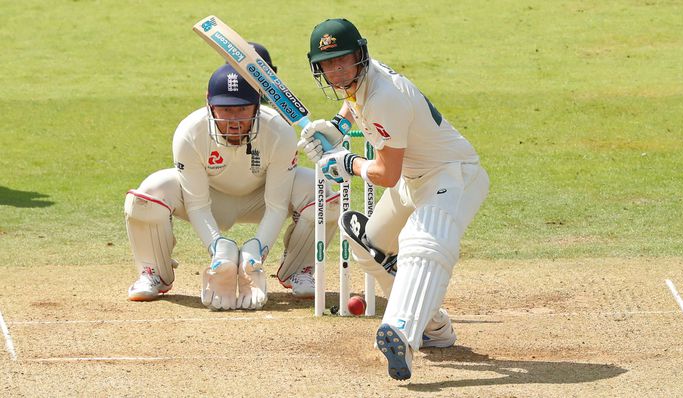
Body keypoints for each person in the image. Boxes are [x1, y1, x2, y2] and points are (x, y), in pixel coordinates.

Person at [299, 19, 489, 380]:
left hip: (453, 174)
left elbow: (386, 174)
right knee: (369, 243)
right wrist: (337, 127)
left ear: (360, 55)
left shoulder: (386, 97)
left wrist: (348, 163)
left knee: (421, 242)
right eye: (328, 64)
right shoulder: (361, 83)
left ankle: (401, 332)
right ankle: (435, 329)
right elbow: (356, 104)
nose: (337, 71)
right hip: (415, 180)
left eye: (344, 60)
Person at [124, 44, 339, 310]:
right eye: (225, 110)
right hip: (211, 198)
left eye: (241, 109)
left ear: (256, 105)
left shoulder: (280, 131)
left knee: (324, 194)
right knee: (150, 193)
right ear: (209, 103)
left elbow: (276, 205)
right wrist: (218, 249)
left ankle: (300, 269)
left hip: (260, 199)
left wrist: (257, 250)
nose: (233, 120)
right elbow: (197, 205)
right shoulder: (189, 133)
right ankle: (153, 273)